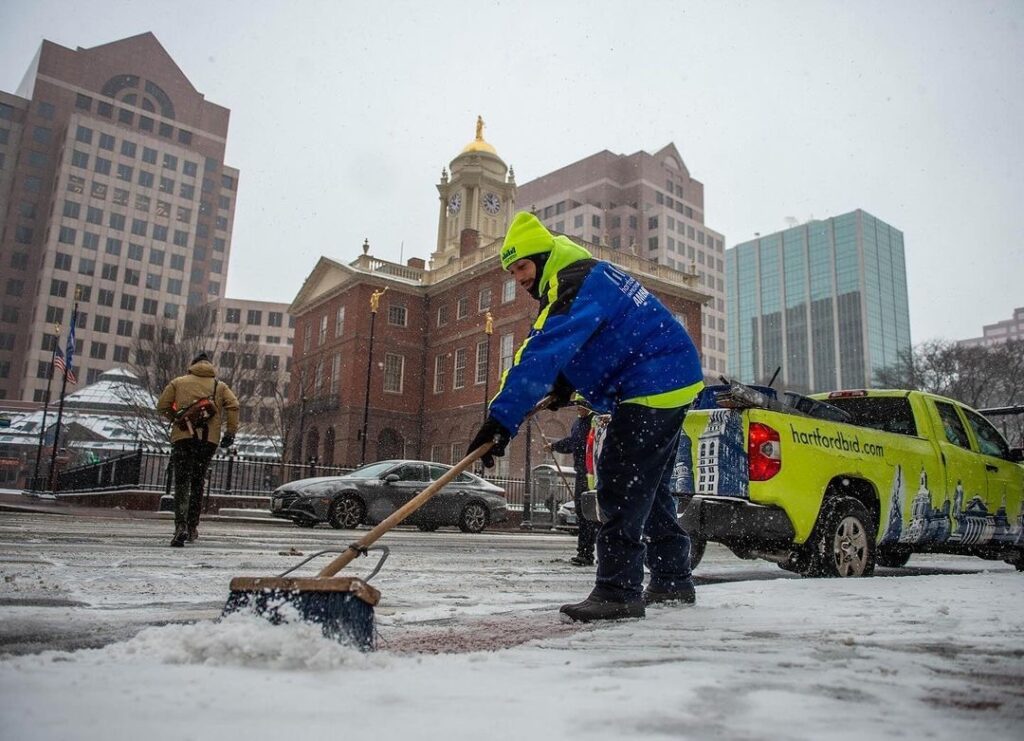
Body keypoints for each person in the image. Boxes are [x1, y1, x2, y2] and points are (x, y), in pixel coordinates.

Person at [468, 212, 704, 622]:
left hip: (654, 380)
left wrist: (500, 420)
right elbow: (597, 340)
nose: (519, 278)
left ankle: (618, 591)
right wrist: (565, 383)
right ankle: (672, 577)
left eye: (522, 266)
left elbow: (540, 352)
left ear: (542, 258)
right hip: (669, 374)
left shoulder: (574, 281)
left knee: (620, 479)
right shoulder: (584, 276)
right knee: (648, 486)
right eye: (511, 271)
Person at [157, 352, 239, 547]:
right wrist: (230, 433)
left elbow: (162, 406)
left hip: (183, 438)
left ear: (192, 366)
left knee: (182, 481)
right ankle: (193, 527)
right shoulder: (219, 386)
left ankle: (180, 526)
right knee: (198, 482)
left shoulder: (179, 382)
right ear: (210, 366)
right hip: (208, 440)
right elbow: (234, 405)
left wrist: (178, 419)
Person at [545, 396, 596, 566]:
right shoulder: (578, 423)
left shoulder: (594, 422)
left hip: (593, 473)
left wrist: (557, 446)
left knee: (590, 514)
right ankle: (585, 551)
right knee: (584, 513)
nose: (578, 409)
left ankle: (589, 552)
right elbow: (573, 443)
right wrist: (554, 447)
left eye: (581, 406)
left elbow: (577, 443)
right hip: (582, 472)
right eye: (577, 406)